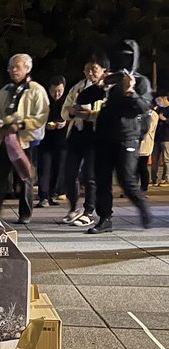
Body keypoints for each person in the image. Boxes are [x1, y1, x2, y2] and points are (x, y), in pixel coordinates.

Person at [88, 40, 153, 234]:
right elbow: (84, 98)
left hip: (127, 137)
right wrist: (101, 86)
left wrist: (131, 91)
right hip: (104, 137)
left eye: (127, 56)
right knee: (102, 179)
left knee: (127, 180)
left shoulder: (141, 81)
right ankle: (105, 218)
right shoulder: (110, 80)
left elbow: (144, 106)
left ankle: (143, 209)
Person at [0, 53, 49, 224]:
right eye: (11, 67)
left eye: (18, 66)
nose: (14, 70)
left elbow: (41, 116)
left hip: (25, 140)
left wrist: (21, 125)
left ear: (27, 69)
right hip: (5, 139)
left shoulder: (36, 89)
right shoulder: (6, 90)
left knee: (25, 177)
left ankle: (25, 213)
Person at [61, 55, 108, 226]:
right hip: (77, 132)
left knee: (90, 175)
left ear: (104, 70)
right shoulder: (78, 87)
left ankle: (89, 211)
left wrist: (92, 115)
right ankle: (74, 207)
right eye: (87, 69)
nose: (90, 73)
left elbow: (111, 112)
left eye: (94, 69)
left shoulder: (108, 89)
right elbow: (64, 110)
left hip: (96, 135)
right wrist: (72, 112)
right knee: (70, 173)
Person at [35, 75, 68, 208]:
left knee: (58, 167)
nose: (57, 94)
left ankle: (52, 194)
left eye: (60, 90)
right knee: (44, 167)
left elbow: (73, 116)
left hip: (62, 140)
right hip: (45, 139)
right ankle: (43, 196)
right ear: (49, 89)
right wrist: (45, 125)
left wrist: (65, 121)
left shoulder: (67, 101)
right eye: (54, 90)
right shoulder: (43, 101)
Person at [139, 106, 159, 194]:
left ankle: (143, 188)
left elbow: (148, 129)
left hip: (145, 143)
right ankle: (132, 188)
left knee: (142, 166)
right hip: (135, 143)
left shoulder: (152, 114)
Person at [150, 93, 169, 186]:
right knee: (154, 159)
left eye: (159, 100)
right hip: (157, 138)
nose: (158, 102)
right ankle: (153, 179)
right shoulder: (158, 109)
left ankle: (166, 178)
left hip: (166, 138)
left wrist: (164, 119)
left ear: (165, 98)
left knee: (166, 159)